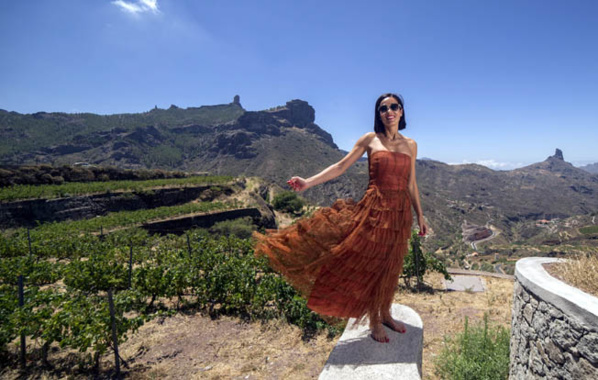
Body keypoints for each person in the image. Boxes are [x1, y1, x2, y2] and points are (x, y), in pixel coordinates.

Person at [253, 93, 428, 343]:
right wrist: (308, 182)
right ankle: (374, 320)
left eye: (394, 107)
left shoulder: (410, 144)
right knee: (371, 263)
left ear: (401, 111)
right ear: (378, 114)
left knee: (391, 265)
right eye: (383, 108)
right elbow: (340, 166)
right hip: (375, 209)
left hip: (400, 214)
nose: (389, 111)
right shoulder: (370, 139)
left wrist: (420, 215)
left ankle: (386, 312)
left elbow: (411, 183)